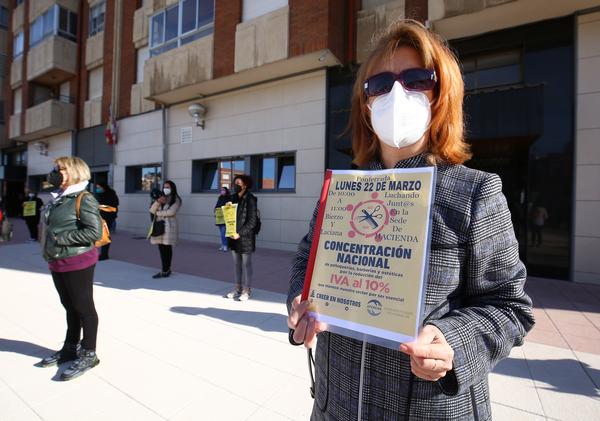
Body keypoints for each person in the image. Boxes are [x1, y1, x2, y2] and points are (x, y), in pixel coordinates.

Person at [287, 20, 534, 420]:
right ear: (365, 104)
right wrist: (300, 300)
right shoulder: (343, 190)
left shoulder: (474, 192)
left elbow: (509, 306)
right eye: (379, 85)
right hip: (337, 406)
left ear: (442, 95)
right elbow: (305, 260)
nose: (396, 93)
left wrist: (453, 341)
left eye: (418, 79)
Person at [38, 157, 103, 381]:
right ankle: (69, 348)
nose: (55, 172)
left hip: (78, 260)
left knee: (84, 307)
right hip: (57, 260)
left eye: (60, 169)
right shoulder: (59, 197)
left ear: (74, 172)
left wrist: (60, 237)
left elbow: (93, 233)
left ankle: (89, 353)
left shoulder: (84, 198)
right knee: (69, 307)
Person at [225, 175, 258, 301]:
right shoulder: (232, 198)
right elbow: (228, 216)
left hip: (246, 238)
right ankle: (237, 288)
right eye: (235, 183)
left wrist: (240, 233)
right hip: (233, 236)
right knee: (236, 264)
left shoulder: (251, 199)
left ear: (245, 185)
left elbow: (252, 221)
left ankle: (247, 290)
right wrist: (227, 208)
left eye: (238, 183)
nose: (235, 185)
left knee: (246, 264)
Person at [149, 180, 182, 278]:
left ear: (172, 188)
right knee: (161, 248)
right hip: (159, 225)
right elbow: (151, 210)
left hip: (169, 226)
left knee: (167, 248)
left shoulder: (176, 199)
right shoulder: (160, 197)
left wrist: (158, 213)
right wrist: (158, 201)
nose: (165, 189)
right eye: (164, 187)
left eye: (168, 187)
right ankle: (165, 269)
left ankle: (166, 269)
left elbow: (171, 212)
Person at [95, 182, 119, 260]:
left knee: (105, 235)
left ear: (104, 187)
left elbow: (113, 206)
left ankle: (104, 254)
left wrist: (100, 206)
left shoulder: (111, 194)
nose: (98, 189)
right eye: (97, 187)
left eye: (99, 187)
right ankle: (101, 254)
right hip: (99, 217)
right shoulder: (99, 195)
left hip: (108, 218)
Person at [214, 186, 230, 252]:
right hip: (219, 218)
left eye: (223, 190)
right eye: (221, 190)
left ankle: (225, 246)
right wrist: (215, 211)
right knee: (221, 233)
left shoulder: (228, 198)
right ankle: (223, 245)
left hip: (225, 218)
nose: (222, 191)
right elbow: (217, 206)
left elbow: (230, 207)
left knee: (224, 233)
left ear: (226, 191)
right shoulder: (219, 198)